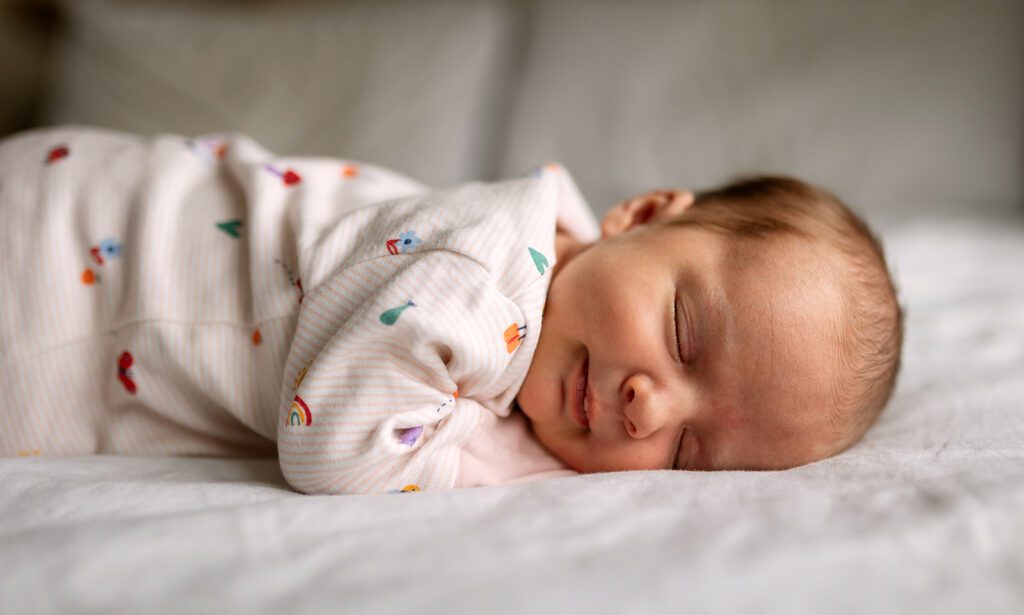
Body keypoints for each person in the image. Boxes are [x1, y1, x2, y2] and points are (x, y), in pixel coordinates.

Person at [0, 127, 902, 494]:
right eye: (684, 335)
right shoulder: (489, 271)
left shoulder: (535, 284)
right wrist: (511, 462)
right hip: (45, 267)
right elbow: (333, 446)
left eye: (689, 450)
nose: (651, 406)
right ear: (645, 214)